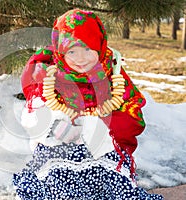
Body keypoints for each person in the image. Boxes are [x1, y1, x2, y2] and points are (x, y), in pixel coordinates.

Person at [13, 8, 163, 199]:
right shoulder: (49, 74)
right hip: (60, 151)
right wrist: (55, 124)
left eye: (87, 49)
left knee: (116, 187)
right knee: (58, 182)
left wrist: (101, 126)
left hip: (104, 149)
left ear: (99, 46)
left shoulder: (113, 73)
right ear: (60, 50)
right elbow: (35, 111)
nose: (81, 58)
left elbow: (132, 112)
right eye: (72, 51)